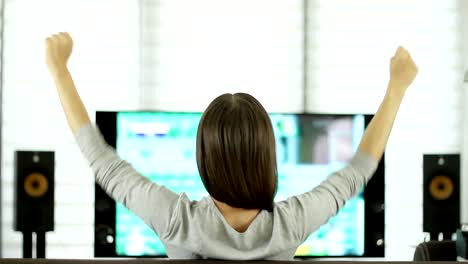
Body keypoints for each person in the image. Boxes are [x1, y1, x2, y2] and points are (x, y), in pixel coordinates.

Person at [45, 32, 418, 260]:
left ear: (204, 160)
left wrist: (59, 69)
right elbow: (359, 171)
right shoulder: (292, 224)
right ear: (268, 156)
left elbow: (102, 161)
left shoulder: (176, 219)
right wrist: (396, 88)